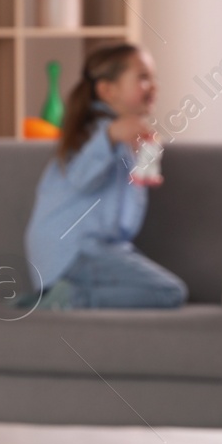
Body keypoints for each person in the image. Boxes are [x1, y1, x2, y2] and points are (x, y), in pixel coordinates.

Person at [20, 43, 187, 310]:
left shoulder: (123, 135)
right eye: (143, 77)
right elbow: (81, 178)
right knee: (169, 292)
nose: (153, 86)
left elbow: (127, 206)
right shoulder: (94, 133)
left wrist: (146, 158)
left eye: (154, 77)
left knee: (164, 289)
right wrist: (111, 136)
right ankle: (69, 300)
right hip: (74, 250)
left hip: (90, 251)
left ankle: (60, 295)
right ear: (107, 90)